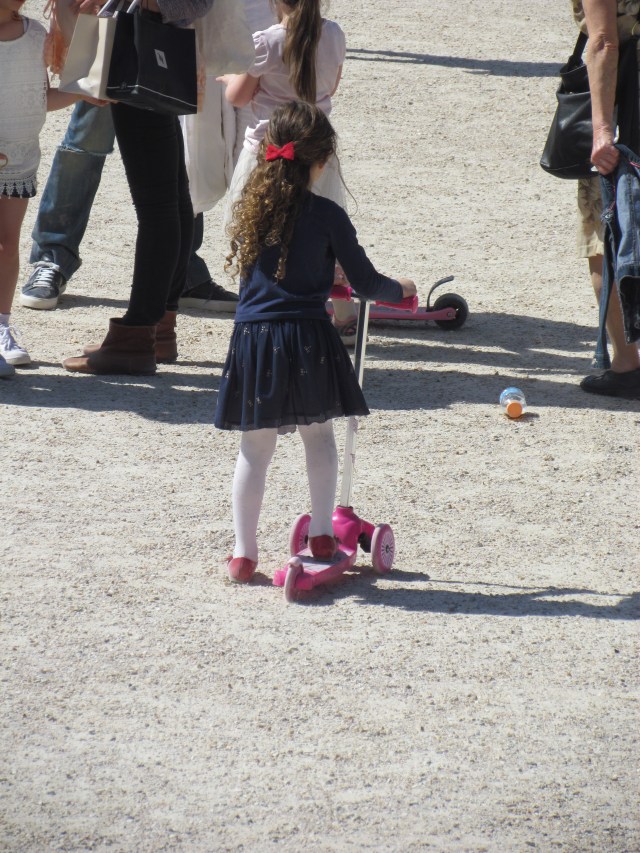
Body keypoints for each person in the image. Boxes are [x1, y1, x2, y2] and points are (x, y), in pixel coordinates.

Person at [215, 101, 416, 583]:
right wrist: (401, 291)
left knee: (253, 450)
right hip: (306, 336)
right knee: (319, 437)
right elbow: (366, 282)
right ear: (322, 160)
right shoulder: (327, 215)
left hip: (254, 337)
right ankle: (322, 533)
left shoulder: (249, 208)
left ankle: (244, 553)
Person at [62, 0, 218, 375]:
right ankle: (156, 327)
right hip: (151, 40)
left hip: (141, 42)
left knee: (159, 204)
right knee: (171, 199)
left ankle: (137, 335)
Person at [217, 0, 361, 345]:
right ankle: (345, 315)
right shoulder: (334, 34)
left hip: (268, 154)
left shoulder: (266, 41)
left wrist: (226, 78)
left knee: (255, 231)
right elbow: (332, 86)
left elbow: (238, 97)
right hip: (316, 153)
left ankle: (257, 309)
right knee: (327, 236)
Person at [0, 0, 99, 378]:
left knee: (8, 245)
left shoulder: (35, 34)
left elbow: (41, 99)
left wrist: (82, 93)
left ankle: (2, 325)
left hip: (19, 159)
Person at [575, 0, 640, 397]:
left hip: (628, 104)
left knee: (606, 233)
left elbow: (603, 42)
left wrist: (601, 130)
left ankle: (628, 361)